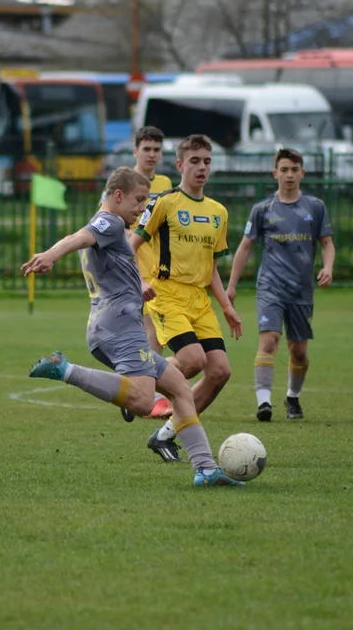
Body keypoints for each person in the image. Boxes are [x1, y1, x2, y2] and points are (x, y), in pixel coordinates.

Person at [22, 166, 243, 487]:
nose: (142, 208)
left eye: (147, 201)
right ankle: (64, 369)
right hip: (119, 328)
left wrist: (136, 285)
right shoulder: (109, 222)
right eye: (139, 200)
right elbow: (78, 237)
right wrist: (51, 254)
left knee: (180, 388)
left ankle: (206, 470)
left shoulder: (112, 227)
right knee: (141, 402)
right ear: (118, 196)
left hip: (114, 326)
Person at [131, 134, 243, 462]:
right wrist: (139, 281)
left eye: (207, 161)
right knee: (193, 359)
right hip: (166, 293)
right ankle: (139, 387)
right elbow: (131, 246)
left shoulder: (218, 212)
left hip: (199, 299)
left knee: (220, 371)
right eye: (195, 161)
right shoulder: (164, 203)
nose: (202, 167)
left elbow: (210, 269)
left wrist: (227, 307)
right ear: (180, 165)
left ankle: (165, 434)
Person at [226, 147, 335, 422]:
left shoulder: (315, 207)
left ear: (302, 173)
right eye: (284, 170)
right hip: (270, 286)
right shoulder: (262, 209)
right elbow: (245, 247)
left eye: (294, 170)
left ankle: (292, 398)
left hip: (301, 290)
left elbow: (327, 243)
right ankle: (264, 403)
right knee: (269, 341)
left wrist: (328, 267)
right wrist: (231, 285)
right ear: (275, 173)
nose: (289, 175)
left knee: (298, 352)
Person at [108, 126, 175, 423]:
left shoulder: (166, 183)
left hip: (159, 268)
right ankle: (146, 394)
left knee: (152, 335)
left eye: (157, 150)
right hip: (132, 265)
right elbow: (106, 218)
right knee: (150, 334)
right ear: (135, 151)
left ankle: (137, 391)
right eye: (146, 149)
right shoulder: (123, 181)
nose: (152, 155)